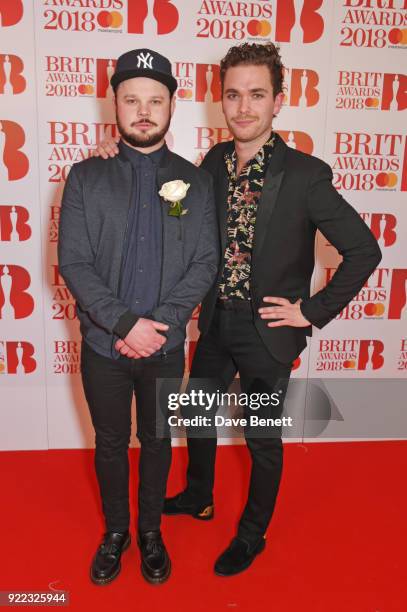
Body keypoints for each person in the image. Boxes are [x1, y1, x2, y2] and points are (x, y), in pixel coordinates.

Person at [95, 42, 382, 577]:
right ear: (219, 100)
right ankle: (199, 495)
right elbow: (170, 207)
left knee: (260, 438)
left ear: (279, 100)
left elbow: (365, 250)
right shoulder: (213, 163)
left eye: (257, 94)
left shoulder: (306, 175)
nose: (244, 107)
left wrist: (312, 312)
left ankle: (253, 534)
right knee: (197, 416)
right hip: (216, 321)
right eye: (233, 95)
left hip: (269, 332)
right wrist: (118, 158)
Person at [58, 48, 218, 585]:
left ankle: (150, 531)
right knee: (108, 443)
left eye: (155, 100)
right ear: (115, 105)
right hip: (104, 348)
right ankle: (116, 531)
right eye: (132, 100)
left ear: (172, 106)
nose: (144, 111)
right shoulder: (84, 176)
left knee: (156, 441)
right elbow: (74, 262)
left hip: (166, 348)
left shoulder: (194, 181)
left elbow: (205, 263)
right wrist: (125, 325)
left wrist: (158, 327)